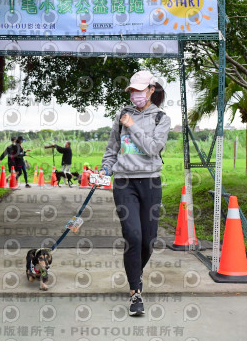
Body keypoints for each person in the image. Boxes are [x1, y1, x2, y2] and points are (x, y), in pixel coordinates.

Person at [99, 70, 170, 316]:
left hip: (150, 183)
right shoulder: (121, 114)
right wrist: (105, 169)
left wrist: (134, 127)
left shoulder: (161, 118)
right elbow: (113, 147)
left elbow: (153, 148)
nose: (135, 95)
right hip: (124, 183)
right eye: (132, 90)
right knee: (133, 235)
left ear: (151, 89)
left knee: (148, 241)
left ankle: (134, 271)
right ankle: (135, 292)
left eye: (141, 90)